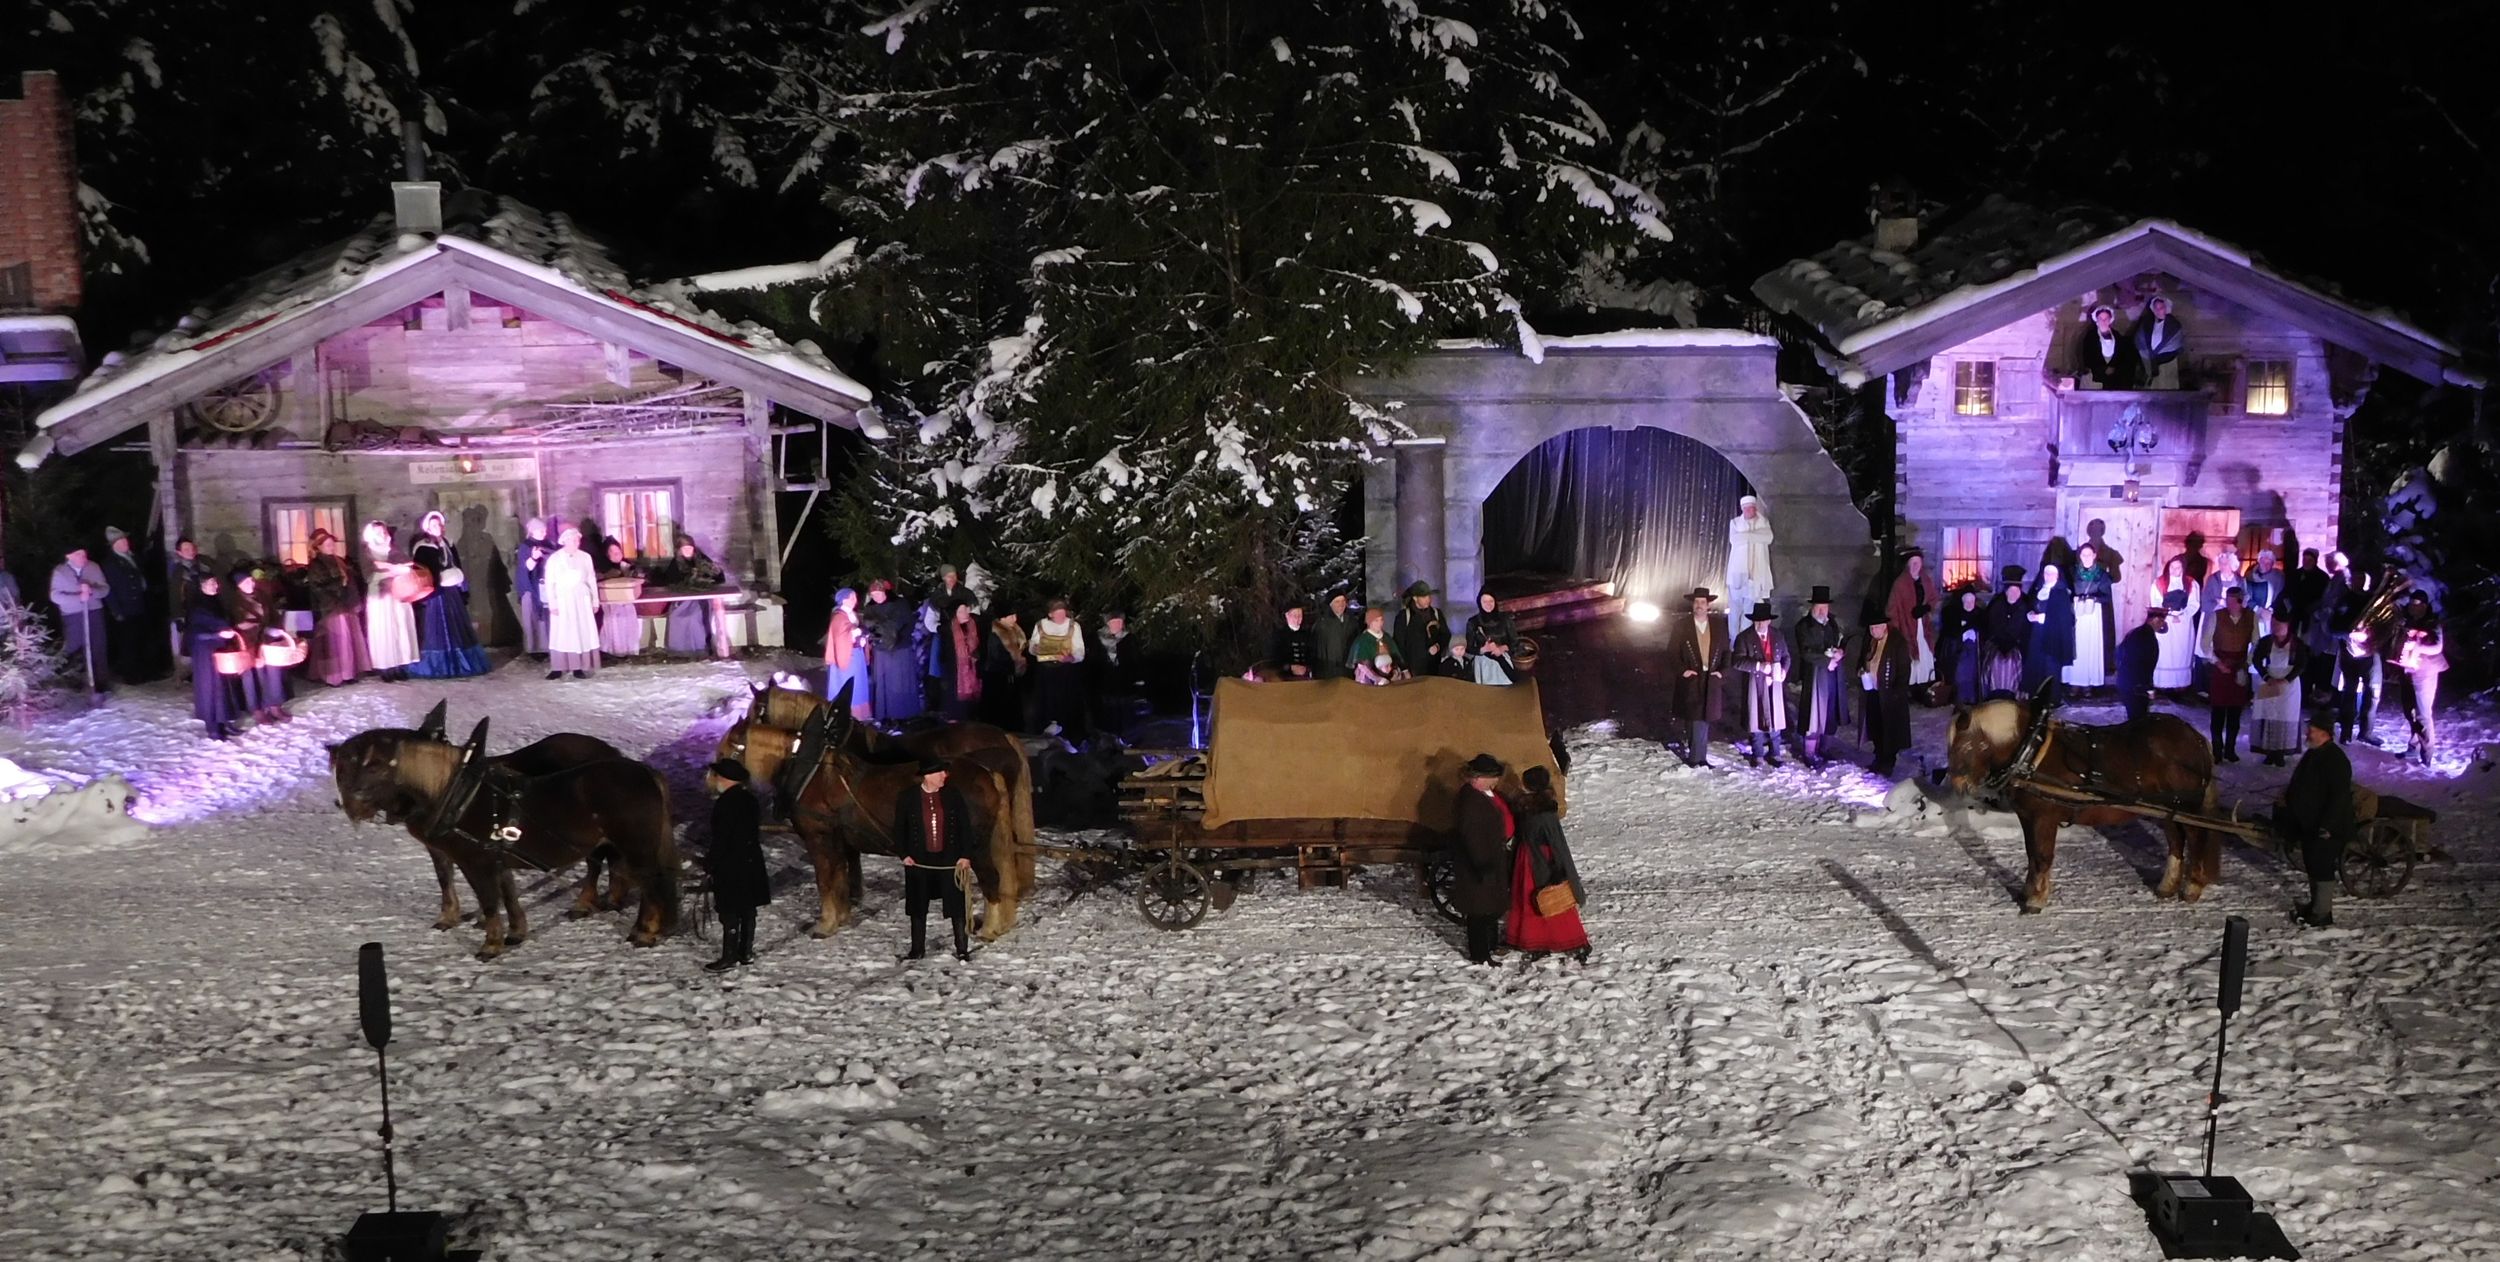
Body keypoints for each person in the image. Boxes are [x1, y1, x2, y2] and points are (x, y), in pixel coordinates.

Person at [2276, 711, 2356, 928]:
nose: (2307, 733)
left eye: (2312, 730)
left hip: (2326, 826)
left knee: (2322, 867)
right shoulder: (2314, 753)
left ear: (2325, 733)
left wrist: (2327, 826)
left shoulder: (2336, 759)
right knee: (2313, 864)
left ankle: (2322, 914)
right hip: (2309, 823)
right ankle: (2315, 906)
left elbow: (2339, 797)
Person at [893, 756, 974, 961]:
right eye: (940, 772)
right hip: (919, 860)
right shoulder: (908, 797)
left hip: (949, 859)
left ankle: (962, 948)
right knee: (917, 906)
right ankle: (917, 949)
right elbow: (899, 829)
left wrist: (965, 854)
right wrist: (904, 854)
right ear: (928, 776)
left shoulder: (953, 795)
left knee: (956, 904)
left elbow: (965, 826)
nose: (944, 776)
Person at [1504, 765, 1589, 961]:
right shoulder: (1542, 810)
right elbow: (1557, 844)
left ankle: (1536, 938)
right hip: (1538, 859)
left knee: (1535, 899)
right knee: (1546, 901)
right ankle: (1554, 939)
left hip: (1530, 859)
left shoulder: (1530, 810)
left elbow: (1551, 842)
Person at [704, 758, 772, 972]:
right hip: (750, 860)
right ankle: (745, 951)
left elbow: (722, 837)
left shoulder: (725, 803)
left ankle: (729, 956)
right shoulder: (749, 799)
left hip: (731, 863)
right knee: (747, 909)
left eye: (717, 776)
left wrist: (711, 862)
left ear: (724, 779)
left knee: (729, 911)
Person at [408, 511, 489, 678]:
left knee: (456, 626)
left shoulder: (447, 542)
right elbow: (421, 571)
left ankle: (460, 662)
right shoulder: (423, 547)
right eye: (433, 525)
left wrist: (459, 580)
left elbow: (455, 562)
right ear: (427, 528)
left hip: (451, 592)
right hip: (436, 594)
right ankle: (440, 664)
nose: (437, 527)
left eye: (439, 524)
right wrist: (437, 579)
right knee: (438, 627)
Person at [1450, 753, 1514, 965]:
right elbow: (1472, 837)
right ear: (1479, 777)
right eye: (1492, 777)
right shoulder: (1471, 801)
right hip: (1479, 865)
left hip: (1489, 860)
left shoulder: (1480, 795)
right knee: (1479, 912)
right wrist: (1483, 864)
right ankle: (1480, 955)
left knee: (1490, 907)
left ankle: (1490, 946)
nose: (1495, 781)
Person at [224, 565, 292, 725]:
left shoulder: (262, 595)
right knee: (252, 677)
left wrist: (276, 628)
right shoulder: (234, 601)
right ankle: (257, 709)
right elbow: (237, 624)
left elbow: (274, 615)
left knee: (273, 673)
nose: (251, 583)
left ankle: (275, 706)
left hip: (267, 642)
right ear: (238, 585)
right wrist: (259, 627)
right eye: (246, 582)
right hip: (248, 643)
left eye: (251, 580)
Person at [1670, 587, 1729, 768]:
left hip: (1711, 678)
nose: (1699, 605)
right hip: (1693, 677)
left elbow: (1727, 652)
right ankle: (1697, 757)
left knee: (1704, 718)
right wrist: (1683, 671)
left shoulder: (1718, 626)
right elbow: (1672, 652)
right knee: (1694, 717)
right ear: (1692, 605)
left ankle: (1698, 757)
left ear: (1708, 605)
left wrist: (1722, 672)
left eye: (1703, 602)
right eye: (1696, 602)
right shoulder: (1682, 626)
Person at [304, 528, 370, 687]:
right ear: (319, 547)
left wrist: (353, 598)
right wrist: (339, 584)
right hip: (331, 607)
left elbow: (350, 582)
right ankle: (336, 675)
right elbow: (318, 588)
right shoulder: (316, 565)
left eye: (332, 543)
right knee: (337, 641)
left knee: (349, 639)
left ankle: (349, 672)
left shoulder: (340, 560)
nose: (331, 547)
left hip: (346, 604)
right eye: (327, 544)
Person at [1792, 586, 1848, 769]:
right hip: (1814, 675)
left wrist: (1840, 652)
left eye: (1825, 607)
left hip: (1832, 675)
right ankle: (1809, 752)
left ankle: (1825, 748)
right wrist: (1826, 661)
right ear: (1813, 607)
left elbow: (1839, 642)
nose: (1822, 610)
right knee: (1813, 714)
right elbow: (1805, 652)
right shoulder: (1803, 626)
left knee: (1830, 711)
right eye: (1819, 607)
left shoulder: (1832, 623)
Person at [184, 574, 245, 740]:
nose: (216, 586)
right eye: (211, 583)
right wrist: (217, 635)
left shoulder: (216, 602)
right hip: (205, 653)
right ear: (201, 586)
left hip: (220, 649)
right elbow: (194, 634)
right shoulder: (196, 607)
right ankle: (213, 727)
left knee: (225, 687)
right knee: (211, 689)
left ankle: (225, 721)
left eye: (216, 582)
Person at [2201, 584, 2257, 762]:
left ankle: (2230, 750)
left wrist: (2246, 663)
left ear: (2241, 602)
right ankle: (2217, 750)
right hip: (2220, 668)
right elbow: (2205, 643)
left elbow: (2256, 643)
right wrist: (2217, 662)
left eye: (2233, 601)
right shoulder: (2217, 616)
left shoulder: (2251, 617)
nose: (2230, 605)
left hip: (2239, 667)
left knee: (2235, 711)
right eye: (2228, 601)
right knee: (2218, 711)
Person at [1731, 601, 1790, 768]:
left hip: (1775, 683)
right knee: (1755, 718)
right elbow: (1737, 661)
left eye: (1763, 620)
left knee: (1776, 717)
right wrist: (1758, 666)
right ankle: (1758, 754)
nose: (1759, 623)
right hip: (1754, 683)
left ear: (1769, 621)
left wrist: (1784, 670)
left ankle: (1775, 753)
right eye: (1757, 620)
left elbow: (1786, 657)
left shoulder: (1777, 635)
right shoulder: (1744, 637)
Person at [2393, 591, 2447, 767]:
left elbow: (2437, 647)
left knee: (2423, 714)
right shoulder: (2407, 621)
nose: (2412, 607)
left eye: (2416, 603)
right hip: (2407, 670)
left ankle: (2427, 754)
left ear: (2424, 605)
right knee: (2409, 711)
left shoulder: (2433, 623)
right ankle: (2413, 747)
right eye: (2411, 603)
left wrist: (2419, 647)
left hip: (2425, 672)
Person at [361, 521, 419, 683]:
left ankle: (401, 664)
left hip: (399, 592)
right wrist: (392, 570)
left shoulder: (394, 549)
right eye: (378, 533)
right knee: (384, 630)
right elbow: (369, 575)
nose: (382, 535)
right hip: (380, 596)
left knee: (401, 628)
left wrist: (391, 568)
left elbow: (408, 567)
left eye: (383, 531)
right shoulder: (368, 552)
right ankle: (386, 667)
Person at [541, 525, 602, 679]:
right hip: (563, 600)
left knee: (580, 631)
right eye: (572, 540)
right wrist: (552, 603)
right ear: (565, 541)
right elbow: (550, 582)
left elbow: (591, 579)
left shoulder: (585, 557)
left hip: (581, 599)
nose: (575, 543)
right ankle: (558, 667)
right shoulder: (555, 559)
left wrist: (595, 600)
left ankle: (578, 667)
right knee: (562, 632)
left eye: (577, 540)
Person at [48, 545, 110, 695]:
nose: (83, 558)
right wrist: (78, 598)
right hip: (72, 615)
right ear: (69, 556)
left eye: (84, 554)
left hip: (94, 612)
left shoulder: (93, 567)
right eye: (78, 555)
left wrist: (92, 592)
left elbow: (105, 589)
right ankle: (74, 684)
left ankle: (99, 684)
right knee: (74, 647)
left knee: (98, 646)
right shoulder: (60, 572)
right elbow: (55, 596)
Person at [100, 526, 156, 684]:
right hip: (125, 608)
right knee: (129, 644)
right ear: (114, 545)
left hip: (140, 605)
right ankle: (132, 676)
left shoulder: (132, 557)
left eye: (125, 540)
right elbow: (109, 590)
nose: (126, 543)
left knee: (142, 640)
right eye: (122, 541)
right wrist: (116, 611)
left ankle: (145, 672)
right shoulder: (110, 563)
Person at [1859, 615, 1913, 777]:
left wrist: (1898, 692)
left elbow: (1904, 669)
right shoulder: (1870, 640)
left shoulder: (1897, 642)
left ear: (1884, 627)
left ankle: (1888, 762)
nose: (1873, 631)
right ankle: (1878, 757)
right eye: (1871, 628)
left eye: (1876, 628)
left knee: (1890, 729)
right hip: (1873, 691)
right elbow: (1863, 658)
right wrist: (1861, 670)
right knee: (1876, 726)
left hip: (1890, 694)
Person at [863, 579, 923, 724]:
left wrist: (895, 637)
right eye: (873, 595)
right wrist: (877, 636)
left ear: (885, 592)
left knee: (900, 682)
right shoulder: (870, 608)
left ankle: (904, 714)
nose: (876, 597)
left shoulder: (899, 604)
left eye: (878, 593)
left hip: (900, 649)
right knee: (884, 684)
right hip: (881, 651)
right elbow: (869, 626)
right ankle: (884, 714)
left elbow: (907, 623)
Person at [2249, 613, 2306, 766]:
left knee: (2284, 716)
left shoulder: (2297, 644)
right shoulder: (2266, 642)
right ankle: (2268, 751)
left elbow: (2302, 664)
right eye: (2273, 624)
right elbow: (2256, 659)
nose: (2275, 628)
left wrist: (2286, 679)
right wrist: (2266, 677)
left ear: (2287, 626)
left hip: (2289, 685)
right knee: (2268, 715)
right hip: (2269, 681)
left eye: (2278, 625)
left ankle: (2281, 752)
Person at [656, 536, 727, 656]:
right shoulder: (675, 564)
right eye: (685, 549)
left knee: (695, 619)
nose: (688, 551)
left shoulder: (702, 560)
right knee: (678, 618)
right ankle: (679, 651)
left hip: (700, 599)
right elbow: (670, 581)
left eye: (690, 548)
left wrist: (707, 578)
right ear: (679, 550)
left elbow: (718, 577)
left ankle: (700, 648)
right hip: (682, 600)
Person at [1029, 598, 1088, 735]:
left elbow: (1080, 650)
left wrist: (1071, 658)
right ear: (1051, 614)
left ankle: (1067, 733)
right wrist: (1035, 649)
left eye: (1063, 613)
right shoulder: (1041, 625)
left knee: (1066, 703)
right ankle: (1045, 731)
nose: (1061, 616)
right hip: (1045, 671)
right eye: (1058, 613)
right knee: (1046, 702)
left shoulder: (1073, 626)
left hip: (1065, 671)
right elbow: (1032, 645)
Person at [1884, 548, 1940, 692]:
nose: (1916, 566)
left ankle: (1923, 685)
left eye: (1918, 563)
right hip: (1907, 625)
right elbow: (1893, 609)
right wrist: (1896, 629)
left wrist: (1926, 607)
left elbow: (1934, 598)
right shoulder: (1900, 584)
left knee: (1924, 652)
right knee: (1909, 655)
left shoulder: (1925, 580)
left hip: (1922, 624)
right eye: (1913, 563)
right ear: (1908, 564)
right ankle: (1909, 687)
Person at [2300, 551, 2353, 693]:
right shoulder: (2335, 579)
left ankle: (2325, 691)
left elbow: (2335, 603)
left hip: (2332, 628)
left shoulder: (2343, 580)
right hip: (2325, 626)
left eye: (2329, 563)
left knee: (2328, 661)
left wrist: (2320, 614)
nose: (2327, 565)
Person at [2023, 562, 2075, 704]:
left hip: (2053, 635)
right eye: (2046, 573)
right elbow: (2030, 606)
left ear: (2058, 576)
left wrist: (2043, 618)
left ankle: (2052, 699)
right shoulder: (2037, 590)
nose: (2049, 576)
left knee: (2051, 666)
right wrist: (2030, 614)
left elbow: (2065, 617)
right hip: (2037, 634)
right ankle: (2037, 696)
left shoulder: (2061, 592)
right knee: (2037, 664)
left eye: (2052, 573)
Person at [2065, 545, 2113, 695]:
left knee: (2089, 647)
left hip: (2092, 614)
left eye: (2089, 554)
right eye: (2083, 555)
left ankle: (2087, 683)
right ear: (2079, 556)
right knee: (2076, 647)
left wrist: (2093, 598)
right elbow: (2066, 590)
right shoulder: (2072, 572)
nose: (2086, 558)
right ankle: (2074, 682)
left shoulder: (2102, 575)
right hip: (2076, 612)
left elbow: (2107, 596)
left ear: (2094, 555)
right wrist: (2073, 598)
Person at [1980, 567, 2031, 701]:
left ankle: (2014, 693)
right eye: (2010, 591)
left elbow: (2028, 630)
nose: (2013, 594)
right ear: (2006, 591)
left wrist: (2016, 642)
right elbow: (1990, 626)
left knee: (2012, 660)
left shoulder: (2026, 604)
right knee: (1996, 660)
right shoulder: (1997, 603)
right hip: (1996, 642)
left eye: (2016, 591)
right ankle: (1994, 693)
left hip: (2019, 644)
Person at [1723, 495, 1776, 621]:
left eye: (1750, 508)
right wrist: (1756, 536)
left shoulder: (1763, 522)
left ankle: (1746, 633)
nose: (1748, 511)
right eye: (1745, 508)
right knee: (1735, 610)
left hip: (1756, 575)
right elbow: (1734, 539)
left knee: (1750, 610)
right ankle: (1733, 634)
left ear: (1755, 509)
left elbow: (1768, 538)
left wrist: (1745, 536)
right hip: (1738, 573)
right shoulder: (1735, 523)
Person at [1091, 611, 1143, 734]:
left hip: (1125, 681)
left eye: (1119, 622)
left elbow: (1136, 659)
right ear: (1107, 623)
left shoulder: (1129, 638)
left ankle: (1128, 737)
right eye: (1113, 622)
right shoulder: (1097, 639)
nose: (1116, 625)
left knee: (1126, 711)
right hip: (1105, 681)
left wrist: (1138, 678)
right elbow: (1093, 661)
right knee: (1108, 711)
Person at [822, 587, 872, 716]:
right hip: (845, 656)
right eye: (852, 597)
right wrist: (856, 632)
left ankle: (860, 714)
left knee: (858, 684)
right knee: (847, 684)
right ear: (844, 600)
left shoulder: (853, 615)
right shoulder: (839, 617)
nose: (855, 600)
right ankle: (845, 713)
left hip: (857, 655)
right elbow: (841, 635)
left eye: (855, 597)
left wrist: (862, 636)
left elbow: (857, 629)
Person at [2151, 559, 2197, 694]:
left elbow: (2194, 603)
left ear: (2183, 568)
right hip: (2165, 621)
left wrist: (2182, 615)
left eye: (2178, 568)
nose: (2174, 570)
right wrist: (2168, 615)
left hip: (2183, 623)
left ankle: (2180, 684)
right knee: (2165, 652)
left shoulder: (2191, 583)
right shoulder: (2159, 582)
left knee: (2181, 652)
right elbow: (2156, 602)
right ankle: (2163, 683)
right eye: (2172, 567)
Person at [979, 607, 1029, 730]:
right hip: (997, 675)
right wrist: (1014, 663)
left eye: (1015, 616)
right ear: (1002, 618)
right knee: (999, 707)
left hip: (1010, 675)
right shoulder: (996, 633)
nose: (1015, 619)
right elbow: (996, 655)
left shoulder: (1014, 630)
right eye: (1011, 616)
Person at [596, 540, 645, 660]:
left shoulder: (627, 565)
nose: (616, 554)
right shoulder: (602, 568)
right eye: (612, 552)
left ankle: (629, 650)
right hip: (611, 605)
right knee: (614, 626)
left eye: (618, 551)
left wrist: (634, 573)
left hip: (627, 604)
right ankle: (613, 651)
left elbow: (638, 579)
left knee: (628, 625)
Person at [936, 602, 985, 719]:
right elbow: (943, 655)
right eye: (961, 611)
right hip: (955, 672)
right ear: (955, 614)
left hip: (973, 669)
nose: (966, 613)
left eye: (966, 610)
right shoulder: (947, 630)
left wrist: (976, 655)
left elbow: (980, 646)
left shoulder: (974, 625)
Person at [2116, 607, 2165, 723]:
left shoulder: (2135, 632)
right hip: (2137, 687)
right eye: (2162, 622)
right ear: (2155, 620)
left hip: (2125, 683)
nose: (2162, 626)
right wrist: (2149, 689)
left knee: (2133, 718)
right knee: (2139, 721)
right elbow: (2146, 667)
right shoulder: (2149, 639)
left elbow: (2119, 652)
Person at [2073, 303, 2138, 389]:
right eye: (2101, 318)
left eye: (2106, 318)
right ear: (2097, 320)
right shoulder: (2090, 336)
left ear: (2110, 320)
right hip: (2094, 377)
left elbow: (2121, 355)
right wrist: (2102, 369)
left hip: (2112, 379)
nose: (2103, 321)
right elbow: (2087, 355)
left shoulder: (2117, 336)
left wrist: (2113, 367)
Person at [515, 516, 553, 659]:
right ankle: (534, 649)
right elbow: (526, 567)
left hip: (546, 584)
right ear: (532, 531)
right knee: (533, 616)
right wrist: (534, 558)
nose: (544, 532)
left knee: (546, 615)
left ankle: (547, 646)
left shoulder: (549, 543)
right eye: (540, 530)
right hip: (531, 586)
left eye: (544, 530)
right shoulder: (526, 546)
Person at [1940, 584, 1984, 705]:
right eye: (1967, 601)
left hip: (1974, 650)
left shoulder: (1979, 614)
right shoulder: (1952, 613)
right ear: (1962, 601)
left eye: (1972, 601)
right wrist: (1964, 632)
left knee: (1972, 673)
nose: (1969, 604)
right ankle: (1959, 698)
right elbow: (1950, 632)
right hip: (1958, 650)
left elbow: (1984, 629)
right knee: (1960, 673)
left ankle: (1972, 698)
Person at [2334, 624, 2378, 747]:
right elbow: (2331, 629)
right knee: (2349, 694)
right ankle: (2346, 734)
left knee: (2370, 694)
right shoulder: (2346, 614)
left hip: (2368, 657)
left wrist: (2371, 639)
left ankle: (2364, 733)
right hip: (2349, 659)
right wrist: (2350, 635)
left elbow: (2383, 632)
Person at [1463, 591, 1520, 686]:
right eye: (1485, 601)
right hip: (1483, 665)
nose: (1488, 604)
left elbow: (1515, 642)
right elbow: (1468, 647)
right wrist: (1483, 649)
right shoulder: (1473, 622)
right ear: (1480, 603)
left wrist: (1502, 648)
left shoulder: (1505, 619)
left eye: (1491, 601)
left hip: (1503, 662)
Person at [1392, 581, 1448, 675]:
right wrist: (1404, 668)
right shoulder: (1404, 616)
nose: (1428, 599)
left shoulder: (1436, 613)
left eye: (1429, 596)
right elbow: (1398, 644)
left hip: (1434, 667)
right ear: (1415, 598)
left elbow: (1445, 635)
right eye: (1424, 597)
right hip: (1413, 668)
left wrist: (1438, 646)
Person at [2131, 294, 2187, 388]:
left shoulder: (2173, 325)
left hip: (2167, 362)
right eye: (2156, 308)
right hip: (2146, 360)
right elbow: (2139, 338)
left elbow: (2176, 342)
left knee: (2165, 386)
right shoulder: (2147, 322)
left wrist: (2158, 355)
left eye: (2161, 308)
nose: (2158, 311)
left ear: (2166, 308)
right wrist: (2147, 354)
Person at [1349, 606, 1406, 684]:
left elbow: (1396, 656)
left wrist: (1396, 672)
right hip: (1369, 680)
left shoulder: (1386, 637)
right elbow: (1363, 666)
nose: (1380, 623)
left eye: (1381, 620)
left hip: (1389, 678)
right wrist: (1377, 679)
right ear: (1369, 622)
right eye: (1376, 621)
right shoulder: (1362, 640)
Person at [1312, 591, 1358, 681]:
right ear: (1330, 604)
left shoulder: (1352, 622)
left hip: (1348, 672)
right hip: (1328, 672)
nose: (1341, 604)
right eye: (1337, 601)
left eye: (1343, 601)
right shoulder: (1321, 625)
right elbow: (1316, 649)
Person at [1269, 601, 1317, 679]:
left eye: (1300, 616)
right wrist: (1290, 667)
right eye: (1295, 616)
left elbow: (1313, 655)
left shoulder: (1307, 634)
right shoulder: (1279, 635)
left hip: (1305, 677)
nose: (1298, 619)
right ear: (1287, 616)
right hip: (1284, 678)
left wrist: (1307, 668)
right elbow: (1273, 660)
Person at [2244, 549, 2282, 615]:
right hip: (2251, 612)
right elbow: (2246, 595)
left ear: (2272, 564)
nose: (2265, 565)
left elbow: (2279, 596)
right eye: (2263, 562)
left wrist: (2270, 610)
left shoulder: (2278, 577)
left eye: (2268, 563)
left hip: (2271, 613)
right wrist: (2257, 609)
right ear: (2259, 561)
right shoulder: (2249, 575)